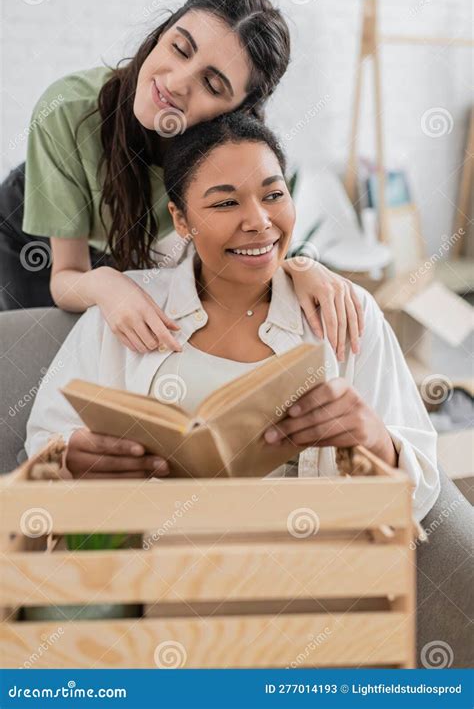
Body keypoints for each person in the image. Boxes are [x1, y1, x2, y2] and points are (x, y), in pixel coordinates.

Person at [25, 111, 440, 526]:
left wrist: (375, 440)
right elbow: (43, 443)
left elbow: (421, 490)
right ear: (181, 219)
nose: (259, 222)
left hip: (301, 569)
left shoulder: (344, 311)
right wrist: (66, 460)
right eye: (225, 202)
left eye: (274, 195)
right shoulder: (123, 308)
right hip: (154, 568)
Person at [0, 0, 362, 360]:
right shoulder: (67, 111)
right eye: (179, 48)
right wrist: (107, 284)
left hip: (114, 245)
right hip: (32, 238)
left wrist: (299, 268)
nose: (174, 83)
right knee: (38, 356)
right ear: (161, 34)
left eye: (211, 83)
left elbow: (252, 229)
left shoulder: (222, 148)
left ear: (237, 111)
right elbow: (66, 276)